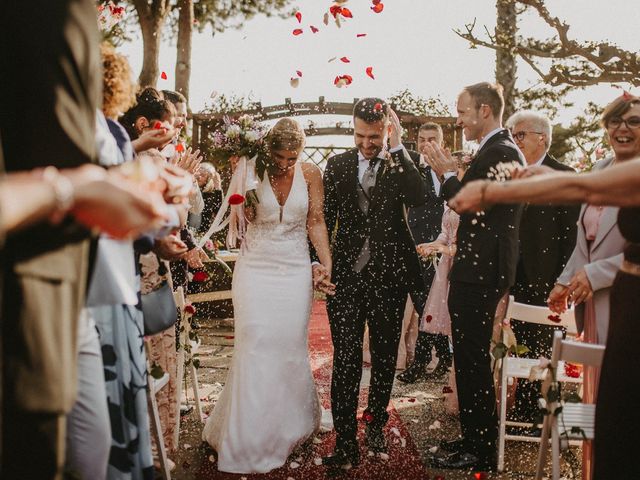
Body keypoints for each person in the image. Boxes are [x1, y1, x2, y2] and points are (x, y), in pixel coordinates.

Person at [448, 99, 640, 480]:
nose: (623, 128)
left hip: (628, 302)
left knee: (623, 408)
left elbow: (571, 185)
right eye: (614, 120)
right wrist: (567, 279)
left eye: (634, 121)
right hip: (597, 302)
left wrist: (492, 192)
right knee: (599, 401)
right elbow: (582, 239)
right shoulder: (604, 169)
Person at [202, 118, 333, 474]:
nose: (285, 164)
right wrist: (238, 179)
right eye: (279, 156)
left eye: (292, 157)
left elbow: (316, 220)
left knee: (288, 344)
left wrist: (325, 263)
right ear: (267, 149)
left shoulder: (310, 174)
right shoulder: (249, 167)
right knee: (255, 342)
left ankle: (289, 425)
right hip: (256, 267)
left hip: (293, 271)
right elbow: (238, 216)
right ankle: (248, 433)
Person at [424, 82, 524, 471]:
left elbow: (471, 204)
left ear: (484, 111)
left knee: (471, 359)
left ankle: (480, 448)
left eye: (463, 112)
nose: (459, 119)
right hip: (480, 267)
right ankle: (473, 435)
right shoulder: (496, 150)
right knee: (468, 358)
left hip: (482, 271)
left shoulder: (501, 151)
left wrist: (446, 175)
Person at [321, 98, 425, 468]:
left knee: (383, 358)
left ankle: (377, 423)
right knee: (346, 359)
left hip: (390, 279)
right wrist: (322, 266)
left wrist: (396, 148)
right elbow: (324, 221)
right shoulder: (337, 165)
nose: (367, 143)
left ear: (387, 130)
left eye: (375, 136)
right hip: (346, 280)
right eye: (360, 135)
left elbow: (420, 196)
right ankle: (345, 441)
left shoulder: (400, 162)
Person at [504, 110, 580, 426]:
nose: (514, 140)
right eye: (512, 134)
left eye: (520, 134)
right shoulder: (507, 174)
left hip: (547, 281)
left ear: (542, 138)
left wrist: (563, 282)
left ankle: (539, 413)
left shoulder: (564, 176)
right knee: (514, 347)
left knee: (544, 351)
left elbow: (571, 238)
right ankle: (519, 407)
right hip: (511, 279)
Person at [397, 122, 450, 383]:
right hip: (417, 246)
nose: (426, 144)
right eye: (421, 140)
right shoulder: (411, 169)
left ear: (441, 142)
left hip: (446, 248)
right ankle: (440, 356)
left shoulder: (451, 172)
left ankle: (424, 361)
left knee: (436, 305)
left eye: (432, 139)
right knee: (424, 303)